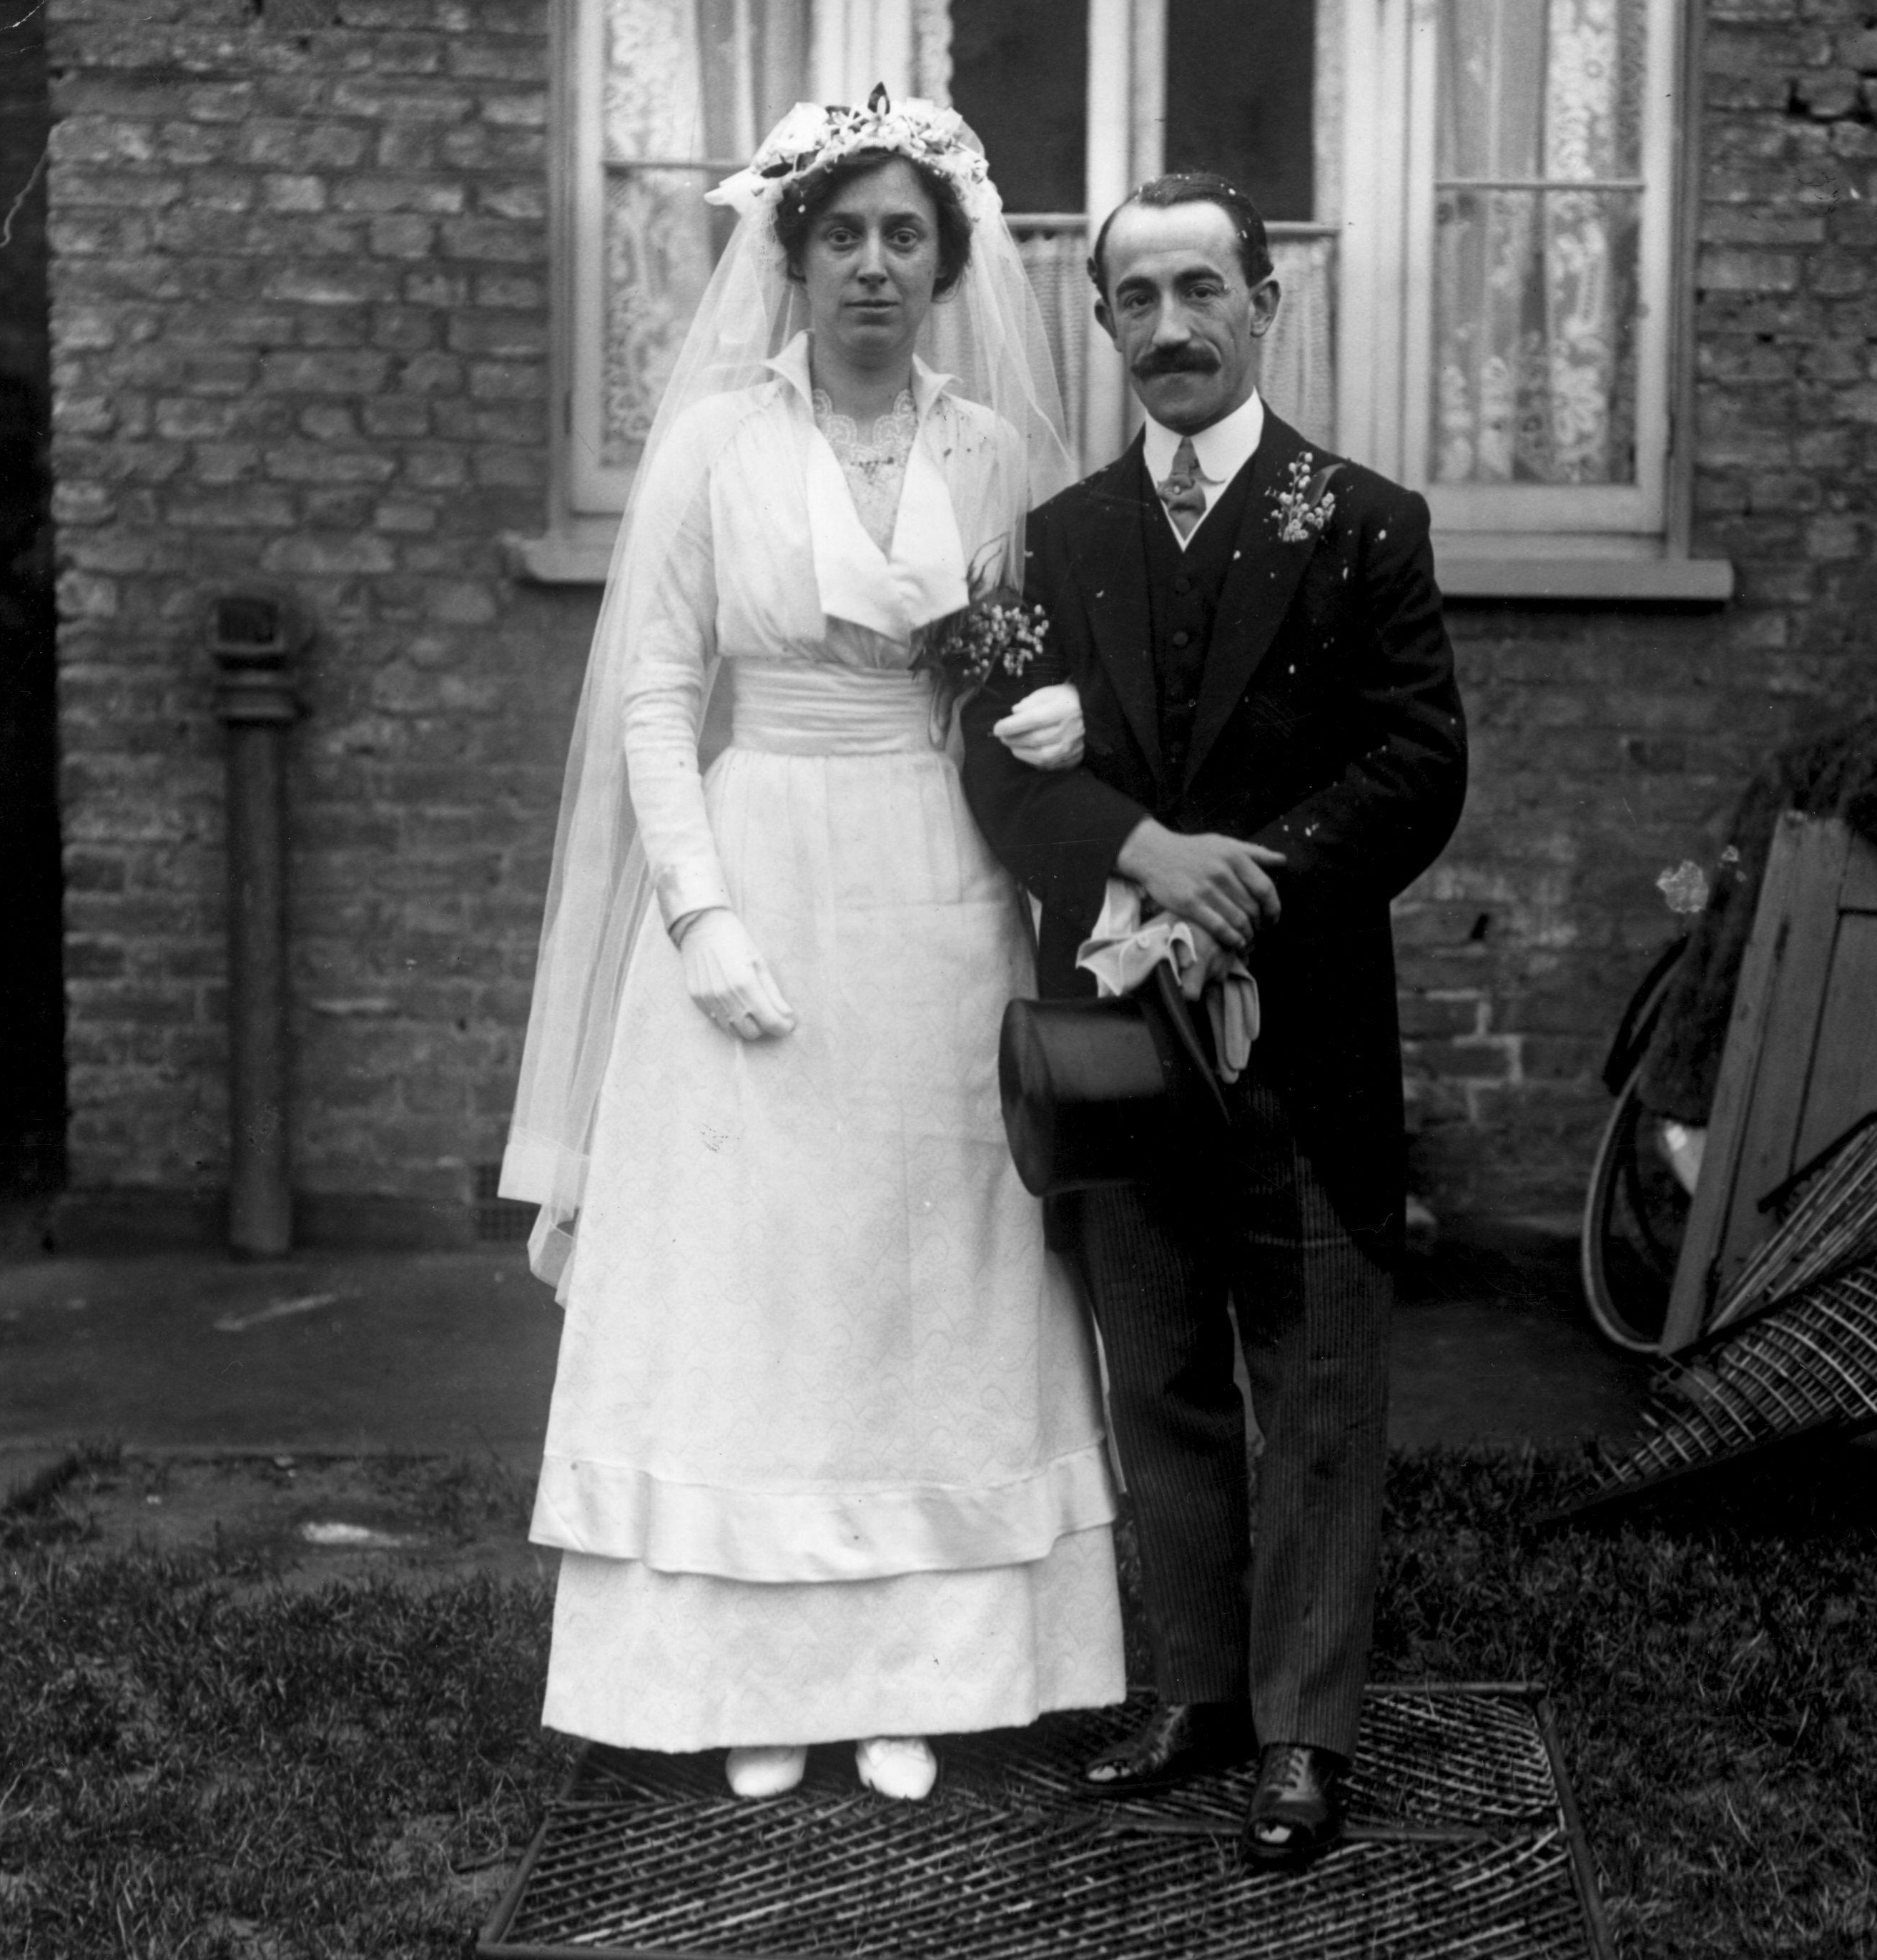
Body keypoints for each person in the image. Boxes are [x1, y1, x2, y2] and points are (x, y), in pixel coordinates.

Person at [499, 93, 1123, 1804]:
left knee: (921, 1277)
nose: (869, 266)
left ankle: (910, 1671)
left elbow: (1020, 684)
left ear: (942, 263)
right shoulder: (714, 445)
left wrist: (1051, 717)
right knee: (757, 1280)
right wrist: (696, 912)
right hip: (761, 846)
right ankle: (745, 1677)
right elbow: (650, 693)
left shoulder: (992, 452)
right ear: (789, 260)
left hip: (939, 880)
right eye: (838, 235)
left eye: (900, 236)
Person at [959, 172, 1468, 1868]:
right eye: (1134, 300)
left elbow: (1416, 764)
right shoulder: (1050, 541)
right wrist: (1139, 853)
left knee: (1312, 1386)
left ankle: (1305, 1731)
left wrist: (1259, 879)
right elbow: (995, 767)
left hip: (1299, 1031)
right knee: (1155, 1367)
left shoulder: (1363, 520)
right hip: (1114, 1040)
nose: (1170, 328)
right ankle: (1193, 1692)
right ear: (1100, 324)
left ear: (1266, 301)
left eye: (1201, 290)